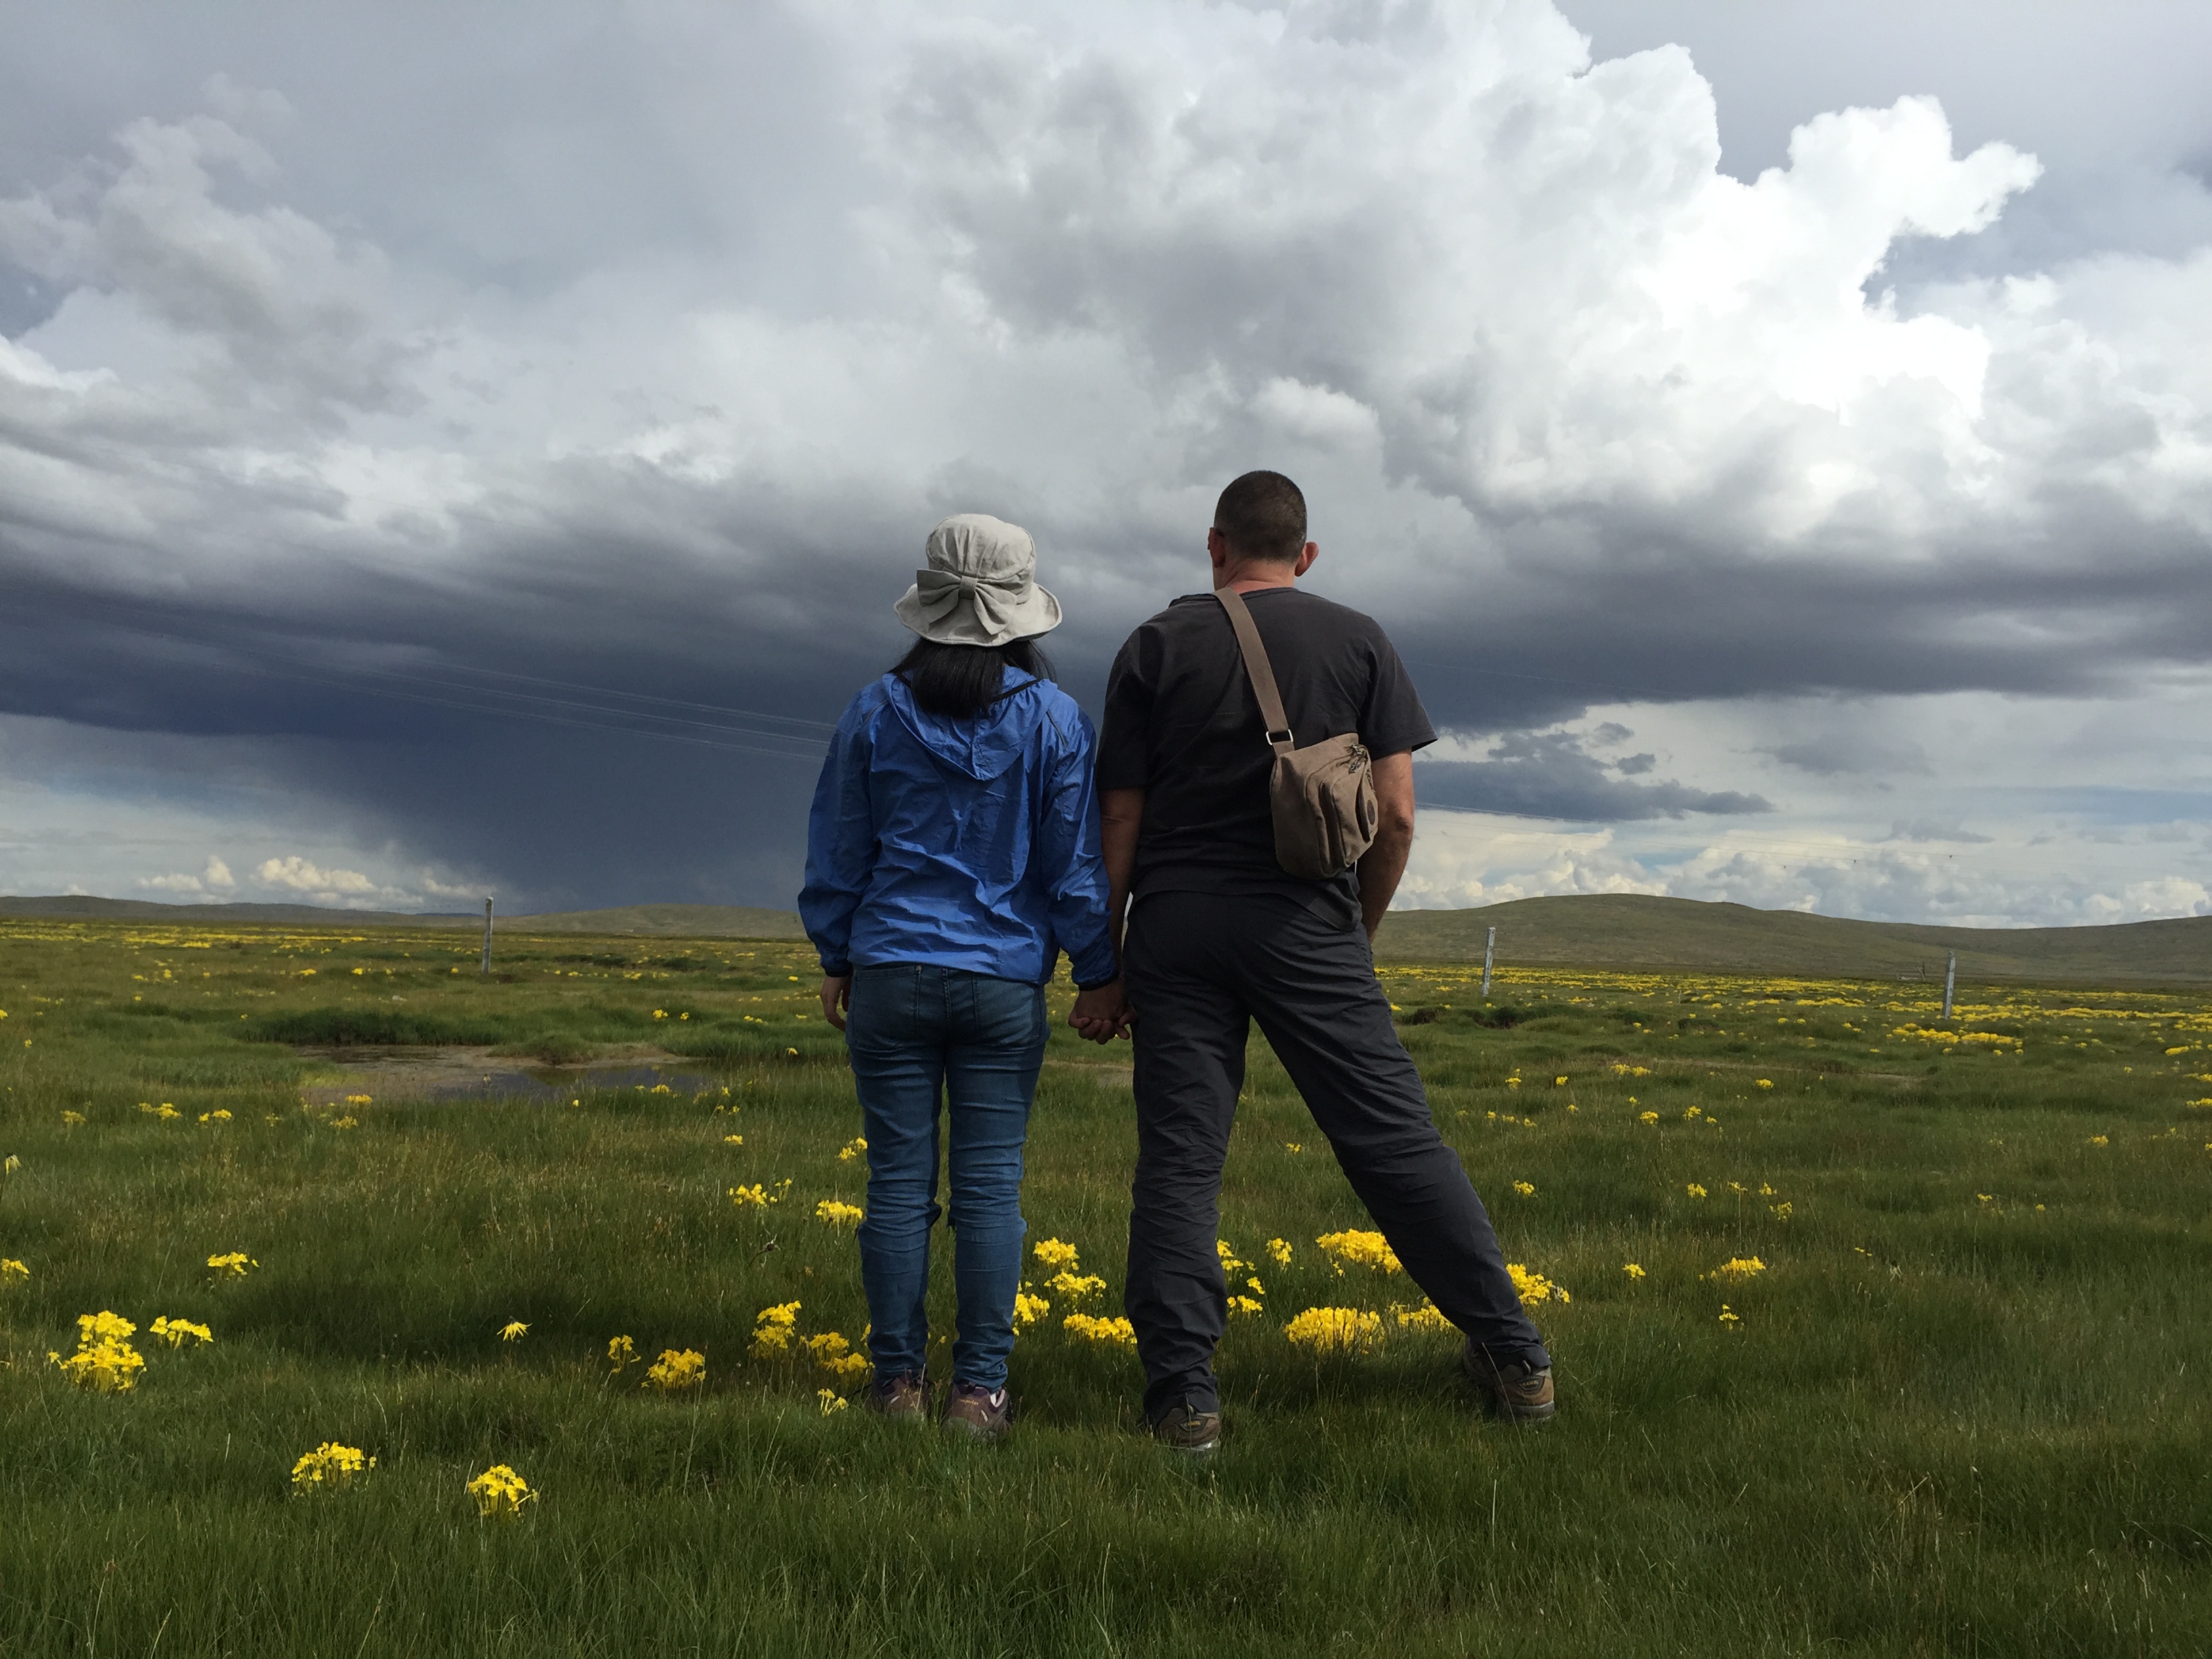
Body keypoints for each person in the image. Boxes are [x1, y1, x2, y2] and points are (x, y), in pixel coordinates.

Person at [1089, 470, 1554, 1453]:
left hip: (1176, 923)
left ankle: (1184, 1401)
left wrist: (1110, 955)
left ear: (1214, 546)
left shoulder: (1155, 644)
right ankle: (1515, 1358)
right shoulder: (1359, 638)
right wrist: (1359, 935)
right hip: (1307, 924)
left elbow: (1120, 815)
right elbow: (1397, 814)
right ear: (1305, 557)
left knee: (1181, 1160)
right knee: (1393, 1142)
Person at [800, 512, 1127, 1441]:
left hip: (891, 973)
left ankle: (896, 1388)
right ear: (1020, 615)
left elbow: (839, 847)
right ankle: (979, 1394)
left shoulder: (871, 710)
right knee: (990, 1190)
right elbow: (1072, 869)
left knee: (898, 1187)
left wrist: (837, 953)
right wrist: (1099, 973)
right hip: (1000, 986)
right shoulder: (1057, 721)